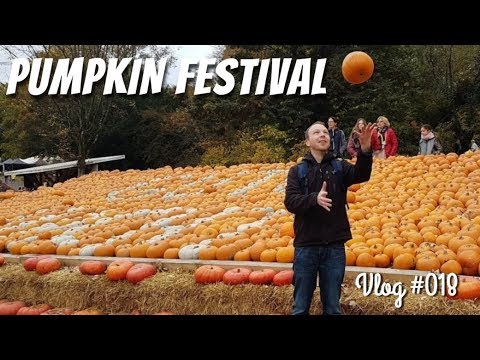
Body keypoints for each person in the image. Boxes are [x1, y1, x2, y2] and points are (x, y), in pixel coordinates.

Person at [284, 121, 374, 315]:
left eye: (325, 132)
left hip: (333, 246)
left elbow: (362, 174)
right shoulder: (297, 171)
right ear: (308, 142)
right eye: (316, 132)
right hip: (306, 246)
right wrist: (313, 199)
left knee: (333, 307)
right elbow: (290, 202)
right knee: (300, 307)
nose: (323, 135)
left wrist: (365, 151)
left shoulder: (339, 166)